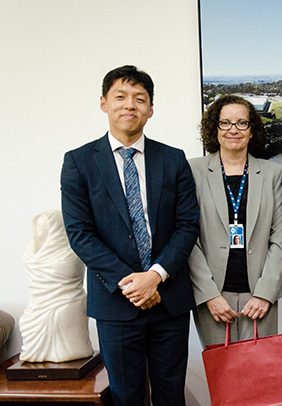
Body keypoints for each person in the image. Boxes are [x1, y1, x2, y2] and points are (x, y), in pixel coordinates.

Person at [61, 65, 199, 405]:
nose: (129, 105)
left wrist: (154, 276)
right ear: (103, 103)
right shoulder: (79, 162)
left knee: (171, 395)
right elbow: (80, 234)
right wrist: (132, 282)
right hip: (115, 303)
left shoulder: (173, 159)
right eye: (120, 97)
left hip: (169, 299)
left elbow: (187, 225)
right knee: (126, 397)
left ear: (151, 109)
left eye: (139, 99)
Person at [188, 95, 282, 347]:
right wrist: (209, 295)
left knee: (258, 379)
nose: (234, 129)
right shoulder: (193, 171)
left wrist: (266, 294)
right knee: (222, 377)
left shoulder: (271, 173)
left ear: (252, 130)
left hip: (260, 294)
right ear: (215, 128)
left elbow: (279, 238)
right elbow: (188, 238)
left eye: (242, 123)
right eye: (225, 123)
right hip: (213, 295)